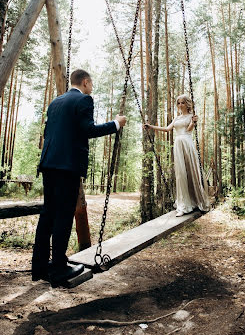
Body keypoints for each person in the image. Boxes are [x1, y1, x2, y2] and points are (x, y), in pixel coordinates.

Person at [33, 69, 127, 287]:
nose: (91, 88)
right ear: (85, 82)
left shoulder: (55, 102)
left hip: (49, 164)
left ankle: (39, 267)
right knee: (64, 215)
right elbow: (88, 130)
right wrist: (116, 124)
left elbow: (52, 133)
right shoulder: (84, 99)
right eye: (91, 84)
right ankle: (58, 267)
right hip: (67, 166)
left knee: (48, 214)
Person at [144, 94, 209, 216]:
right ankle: (183, 205)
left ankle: (195, 201)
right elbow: (167, 129)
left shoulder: (191, 116)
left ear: (187, 104)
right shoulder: (177, 118)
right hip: (178, 144)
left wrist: (193, 122)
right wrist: (151, 127)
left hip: (187, 143)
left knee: (191, 172)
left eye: (182, 103)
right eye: (178, 103)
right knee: (181, 174)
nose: (180, 105)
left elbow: (189, 130)